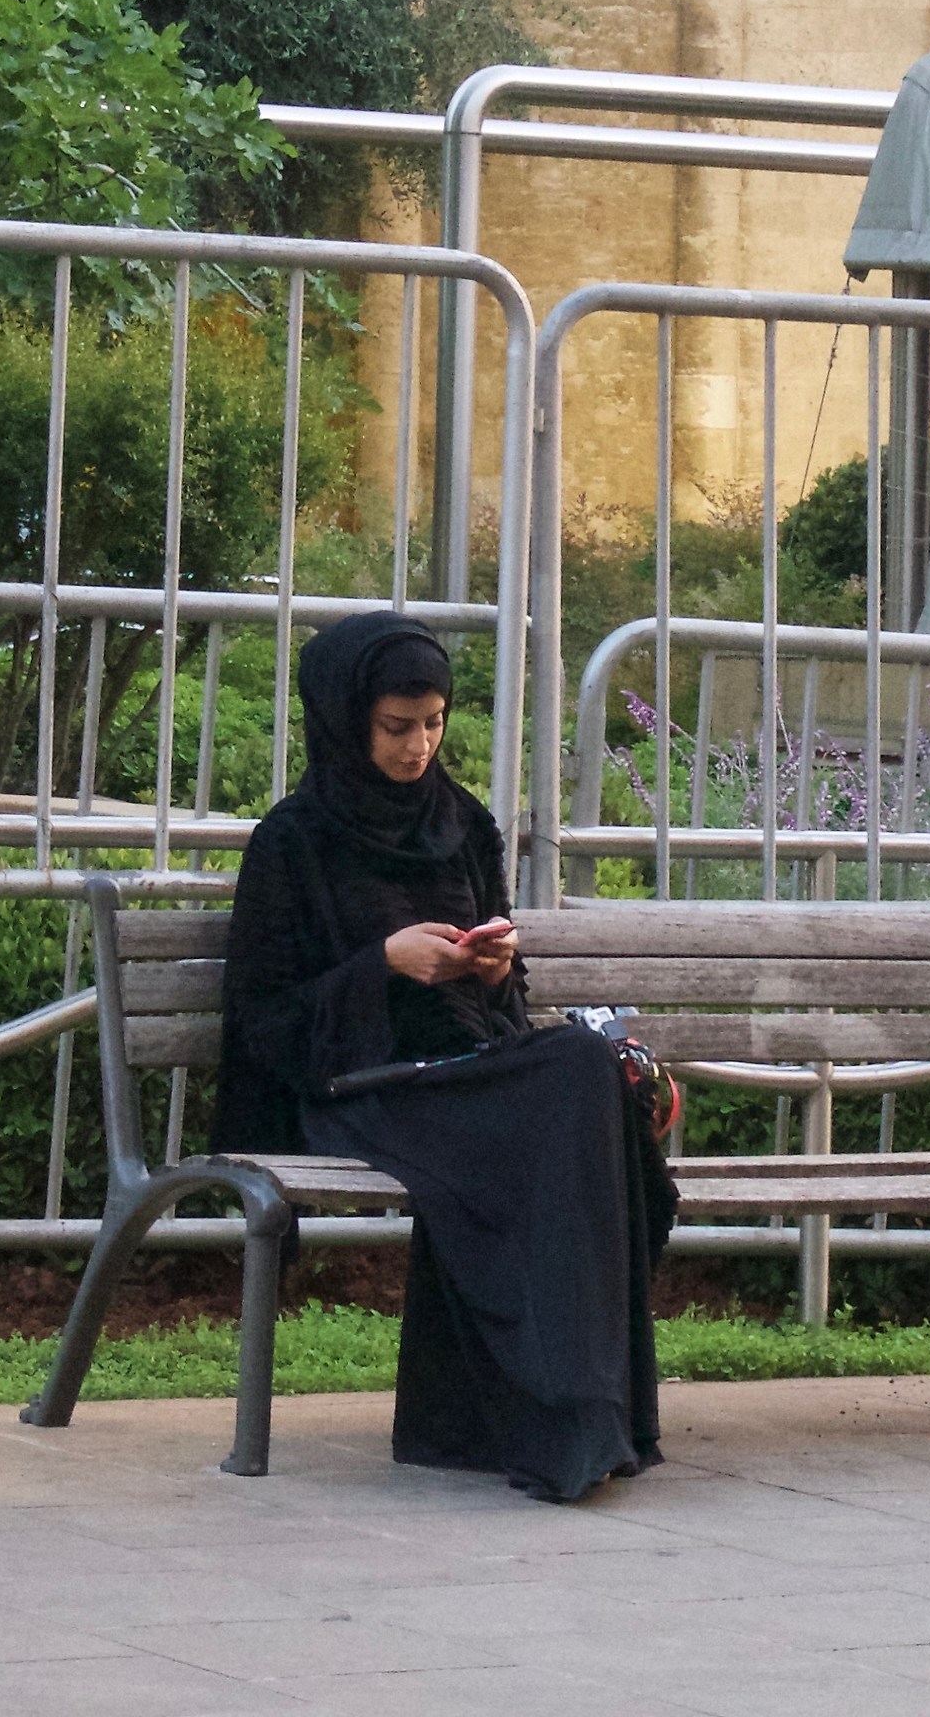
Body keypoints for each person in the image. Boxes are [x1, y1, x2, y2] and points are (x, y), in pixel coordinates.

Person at [210, 609, 675, 1502]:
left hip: (458, 1078)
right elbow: (263, 1021)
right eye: (395, 727)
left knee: (582, 1075)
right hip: (354, 1085)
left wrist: (493, 968)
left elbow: (505, 1002)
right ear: (347, 719)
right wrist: (383, 964)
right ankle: (568, 1415)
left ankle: (563, 1415)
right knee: (576, 1077)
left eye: (432, 724)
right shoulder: (293, 840)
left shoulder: (461, 823)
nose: (417, 746)